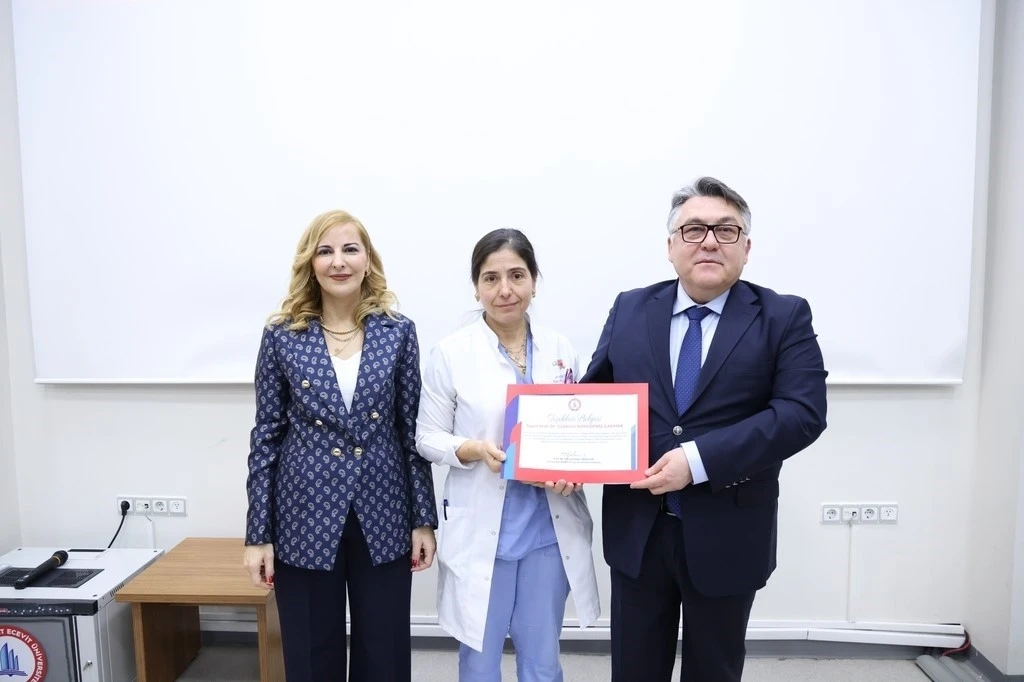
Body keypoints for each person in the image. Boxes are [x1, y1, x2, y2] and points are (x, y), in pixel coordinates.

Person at [582, 177, 828, 682]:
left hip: (728, 532)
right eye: (693, 229)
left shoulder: (783, 316)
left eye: (726, 230)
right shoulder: (630, 307)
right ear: (671, 246)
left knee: (714, 670)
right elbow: (596, 397)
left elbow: (801, 413)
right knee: (633, 670)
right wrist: (564, 455)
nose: (710, 241)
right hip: (637, 530)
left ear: (746, 248)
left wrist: (697, 461)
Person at [242, 209, 438, 682]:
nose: (338, 261)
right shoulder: (282, 335)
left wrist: (423, 519)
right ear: (310, 264)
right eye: (325, 251)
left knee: (384, 652)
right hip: (303, 513)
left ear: (368, 260)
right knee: (311, 653)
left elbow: (410, 432)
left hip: (384, 510)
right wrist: (258, 534)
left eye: (350, 249)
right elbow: (266, 436)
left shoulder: (398, 332)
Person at [416, 228, 600, 681]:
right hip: (483, 529)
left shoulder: (560, 349)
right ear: (476, 287)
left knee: (543, 658)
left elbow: (576, 429)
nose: (505, 290)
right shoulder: (451, 353)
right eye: (491, 278)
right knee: (480, 662)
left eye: (517, 275)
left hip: (548, 530)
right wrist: (472, 449)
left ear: (534, 280)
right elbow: (426, 437)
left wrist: (575, 468)